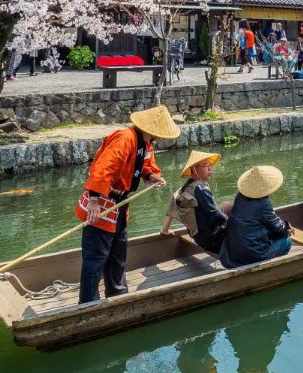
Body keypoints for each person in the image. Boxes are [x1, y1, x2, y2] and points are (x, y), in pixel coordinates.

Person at [74, 105, 179, 303]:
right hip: (103, 202)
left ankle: (117, 293)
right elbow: (103, 168)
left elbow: (145, 166)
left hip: (121, 204)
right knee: (96, 256)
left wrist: (152, 177)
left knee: (118, 251)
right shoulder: (125, 138)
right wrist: (94, 202)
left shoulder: (146, 143)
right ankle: (88, 302)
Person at [220, 165, 293, 268]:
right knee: (287, 242)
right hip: (253, 255)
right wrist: (287, 229)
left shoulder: (239, 196)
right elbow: (277, 226)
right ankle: (272, 268)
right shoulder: (263, 203)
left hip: (233, 255)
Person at [160, 150, 232, 254]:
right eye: (206, 165)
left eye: (210, 165)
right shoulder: (201, 188)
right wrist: (235, 223)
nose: (210, 169)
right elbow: (215, 215)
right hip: (212, 241)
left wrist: (164, 230)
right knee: (235, 220)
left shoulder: (186, 187)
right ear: (194, 168)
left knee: (226, 206)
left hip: (198, 237)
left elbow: (171, 206)